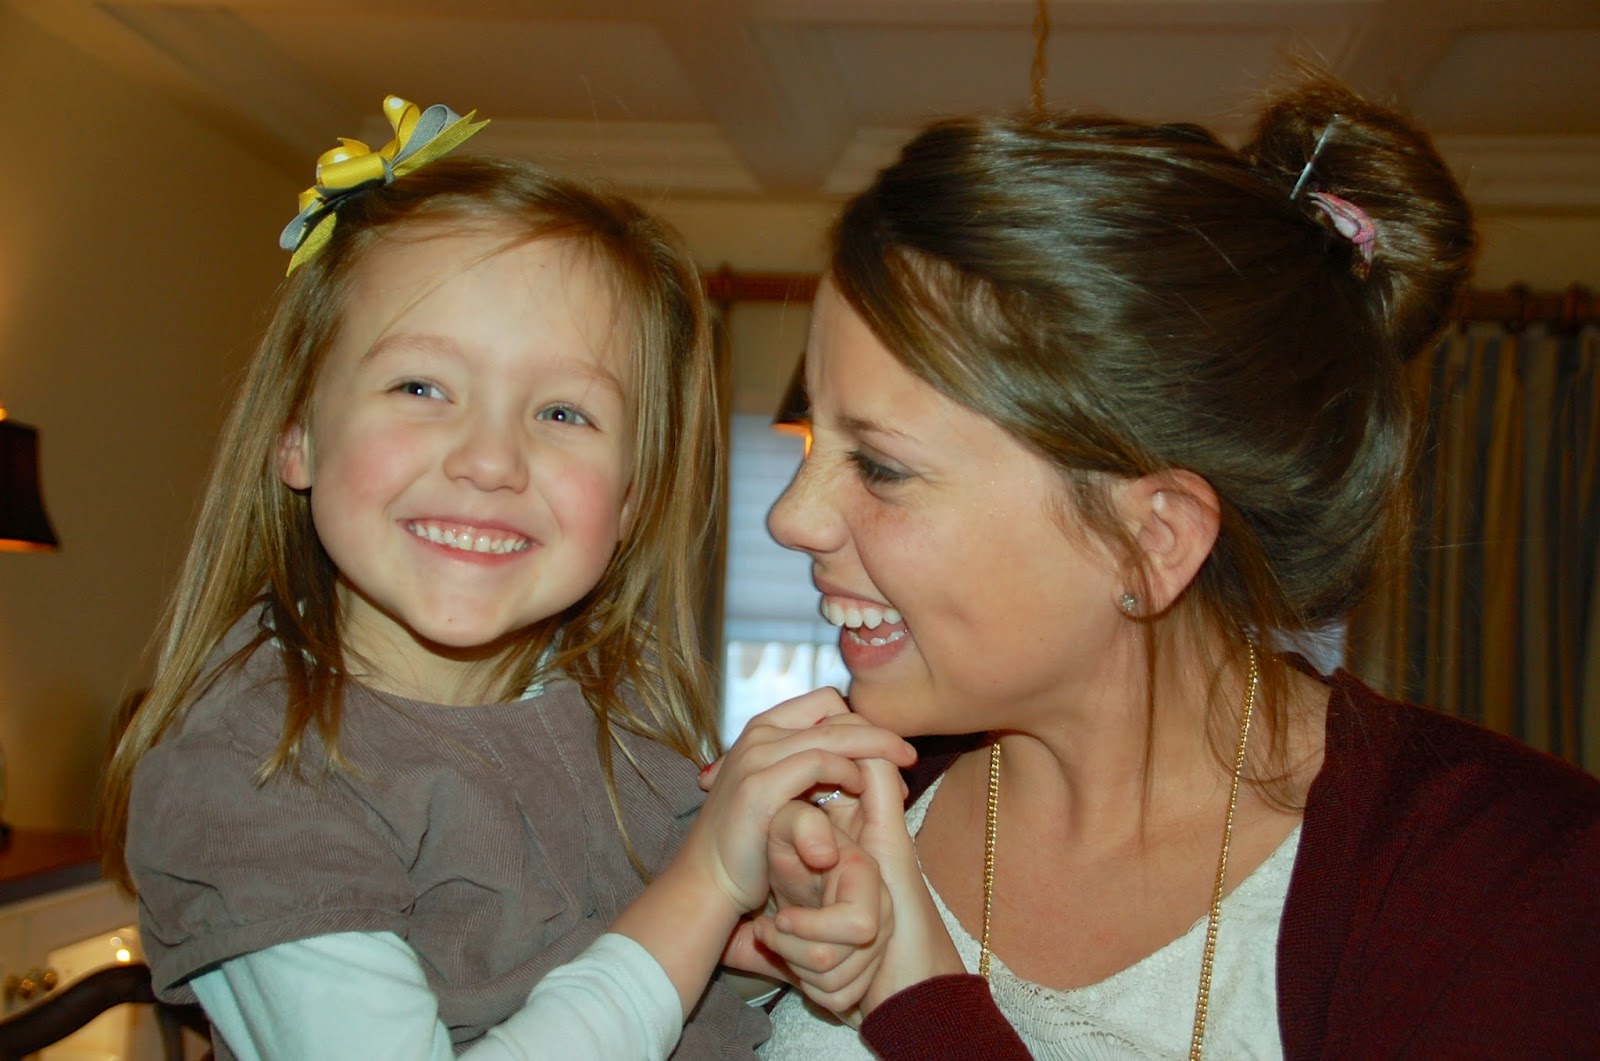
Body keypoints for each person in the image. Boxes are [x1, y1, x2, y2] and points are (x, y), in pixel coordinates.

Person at [746, 76, 1600, 1059]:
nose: (789, 517)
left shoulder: (1517, 890)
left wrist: (919, 1003)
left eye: (881, 466)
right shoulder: (832, 807)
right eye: (815, 442)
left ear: (1152, 539)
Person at [97, 95, 912, 1060]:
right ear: (299, 434)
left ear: (632, 494)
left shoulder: (614, 708)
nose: (489, 460)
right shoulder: (255, 776)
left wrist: (773, 925)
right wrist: (706, 882)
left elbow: (641, 966)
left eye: (564, 413)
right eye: (420, 387)